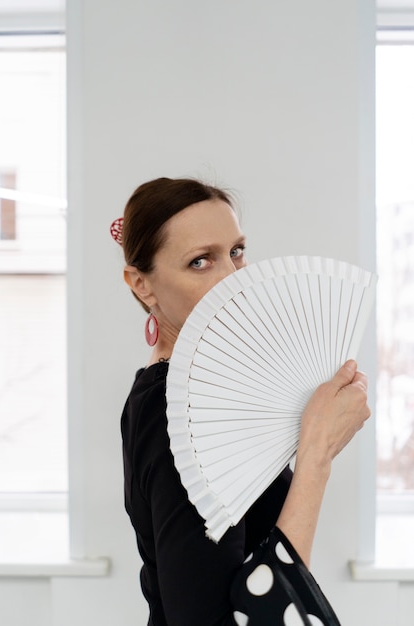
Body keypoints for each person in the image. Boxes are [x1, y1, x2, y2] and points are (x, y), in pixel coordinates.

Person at [112, 177, 370, 626]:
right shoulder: (181, 414)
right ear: (142, 285)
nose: (234, 277)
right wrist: (316, 454)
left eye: (236, 251)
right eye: (200, 261)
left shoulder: (205, 393)